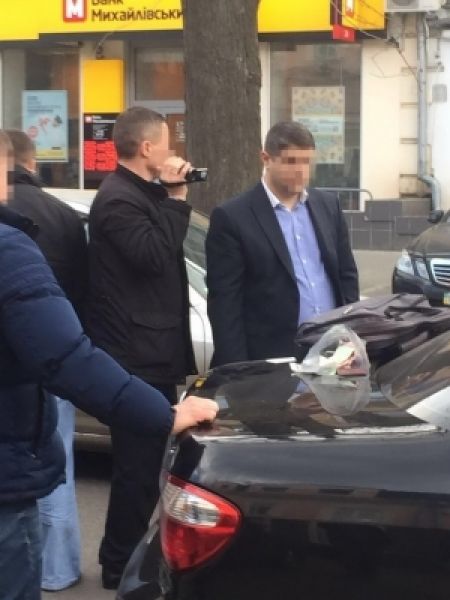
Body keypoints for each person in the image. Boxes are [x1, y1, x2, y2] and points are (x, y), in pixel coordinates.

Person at [0, 129, 218, 600]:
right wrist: (163, 415)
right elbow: (67, 355)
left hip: (141, 358)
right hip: (122, 365)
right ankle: (118, 566)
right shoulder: (20, 243)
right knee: (133, 478)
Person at [86, 106, 198, 588]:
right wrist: (176, 198)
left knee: (148, 466)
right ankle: (119, 565)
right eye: (167, 142)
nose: (173, 151)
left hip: (150, 350)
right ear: (147, 147)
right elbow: (153, 256)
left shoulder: (138, 193)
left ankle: (128, 558)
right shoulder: (117, 200)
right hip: (134, 356)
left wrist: (168, 194)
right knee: (137, 469)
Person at [206, 120, 359, 367]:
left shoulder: (328, 206)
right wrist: (238, 369)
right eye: (291, 161)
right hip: (272, 355)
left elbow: (346, 275)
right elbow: (225, 304)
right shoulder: (233, 217)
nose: (301, 171)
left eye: (306, 161)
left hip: (332, 349)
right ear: (266, 159)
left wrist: (351, 333)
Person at [6, 128, 87, 591]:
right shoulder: (62, 214)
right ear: (32, 162)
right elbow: (82, 288)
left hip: (16, 369)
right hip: (58, 354)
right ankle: (59, 569)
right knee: (59, 464)